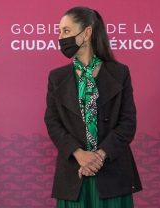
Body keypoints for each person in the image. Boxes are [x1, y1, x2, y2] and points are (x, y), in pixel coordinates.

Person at [44, 7, 142, 208]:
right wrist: (80, 155)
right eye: (60, 32)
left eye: (67, 31)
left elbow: (127, 123)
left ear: (87, 33)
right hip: (73, 175)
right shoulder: (57, 77)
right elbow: (52, 122)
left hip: (112, 174)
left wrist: (98, 157)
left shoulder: (120, 73)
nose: (61, 37)